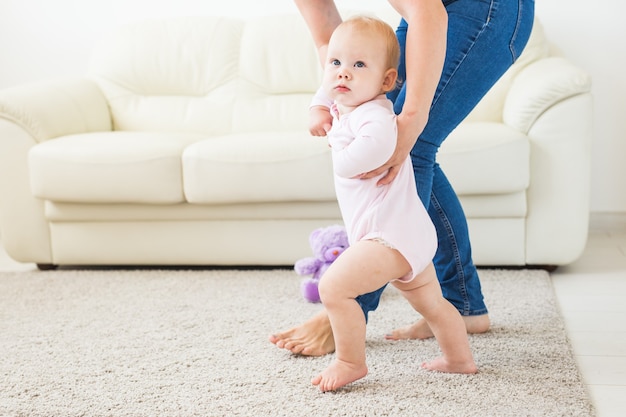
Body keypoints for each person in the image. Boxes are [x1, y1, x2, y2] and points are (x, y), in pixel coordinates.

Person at [270, 0, 535, 356]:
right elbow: (330, 41)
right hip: (433, 9)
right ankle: (464, 304)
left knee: (407, 144)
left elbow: (428, 14)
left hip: (488, 9)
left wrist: (411, 121)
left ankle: (351, 309)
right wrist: (330, 102)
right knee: (402, 146)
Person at [307, 16, 477, 392]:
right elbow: (326, 90)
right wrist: (318, 109)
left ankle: (350, 362)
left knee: (333, 288)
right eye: (336, 63)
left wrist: (336, 143)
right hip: (407, 231)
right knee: (432, 304)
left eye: (358, 65)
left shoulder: (374, 115)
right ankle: (459, 359)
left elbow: (378, 148)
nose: (343, 75)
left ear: (386, 81)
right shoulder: (347, 105)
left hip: (387, 237)